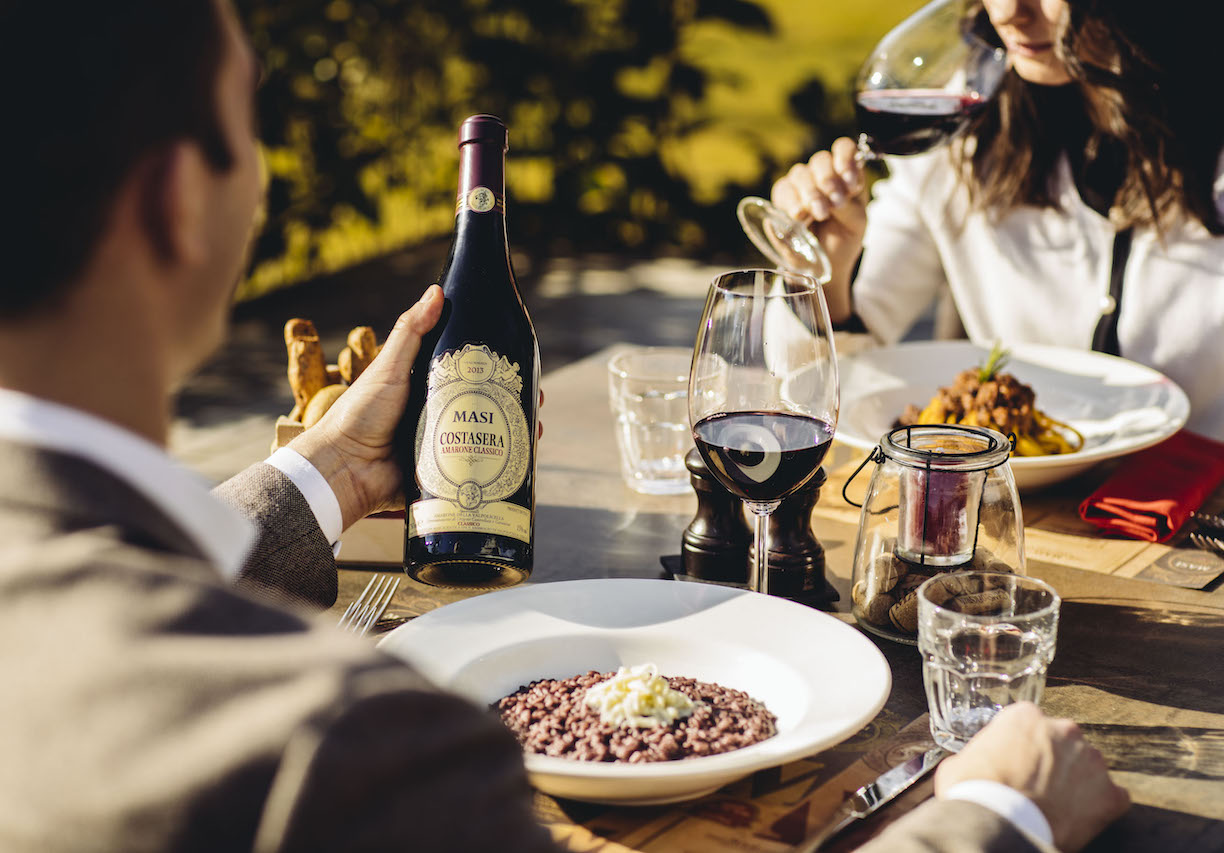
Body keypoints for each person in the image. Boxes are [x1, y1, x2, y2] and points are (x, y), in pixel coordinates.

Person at [0, 1, 1125, 850]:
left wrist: (334, 469)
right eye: (249, 120)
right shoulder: (345, 748)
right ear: (175, 204)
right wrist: (994, 812)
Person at [773, 0, 1224, 464]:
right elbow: (824, 388)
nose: (1010, 12)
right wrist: (823, 276)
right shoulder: (960, 127)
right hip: (1010, 524)